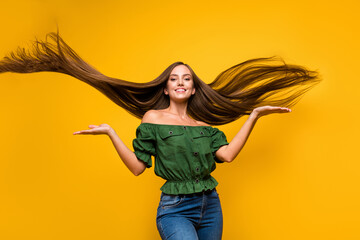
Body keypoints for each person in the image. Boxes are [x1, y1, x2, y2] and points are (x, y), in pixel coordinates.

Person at [0, 31, 321, 240]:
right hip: (176, 208)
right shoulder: (153, 118)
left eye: (187, 79)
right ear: (165, 86)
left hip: (211, 205)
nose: (180, 82)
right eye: (173, 78)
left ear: (194, 87)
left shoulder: (204, 123)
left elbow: (227, 156)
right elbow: (139, 167)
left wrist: (253, 116)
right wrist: (112, 133)